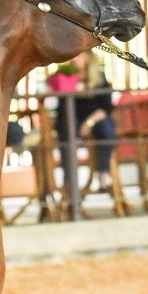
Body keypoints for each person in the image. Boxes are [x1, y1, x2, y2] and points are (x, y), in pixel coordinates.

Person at [47, 51, 117, 191]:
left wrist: (89, 123)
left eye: (78, 56)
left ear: (87, 58)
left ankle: (103, 173)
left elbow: (106, 107)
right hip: (71, 119)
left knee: (106, 129)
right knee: (67, 132)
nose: (73, 59)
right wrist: (66, 89)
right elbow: (60, 107)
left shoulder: (99, 79)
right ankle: (70, 183)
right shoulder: (64, 75)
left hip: (94, 119)